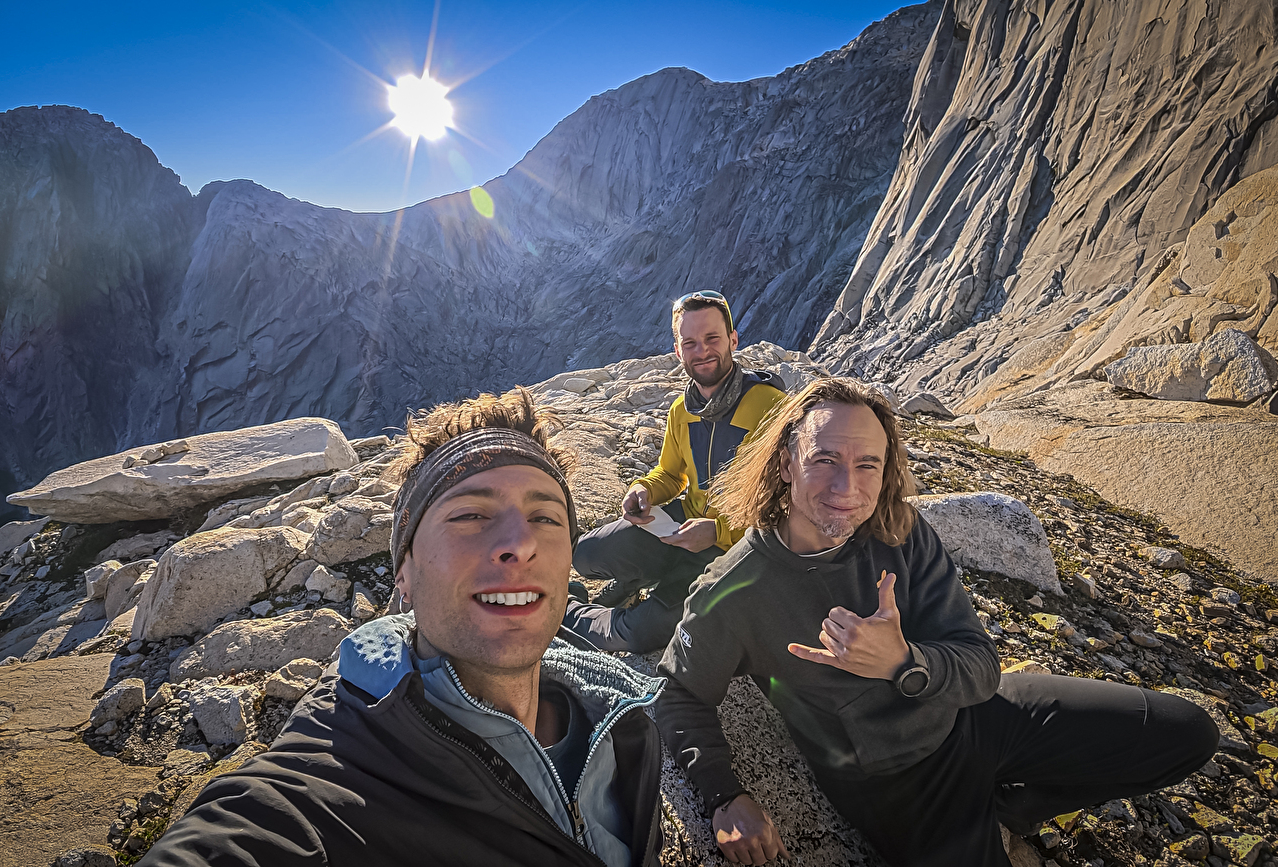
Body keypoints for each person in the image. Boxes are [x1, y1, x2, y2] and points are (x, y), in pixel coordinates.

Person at [654, 377, 1220, 867]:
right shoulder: (733, 588)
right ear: (786, 463)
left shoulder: (899, 530)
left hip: (977, 718)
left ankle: (1017, 805)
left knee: (1190, 734)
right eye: (824, 460)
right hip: (900, 788)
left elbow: (978, 664)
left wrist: (903, 663)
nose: (846, 488)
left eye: (866, 465)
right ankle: (991, 808)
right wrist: (723, 796)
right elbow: (679, 696)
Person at [143, 389, 666, 867]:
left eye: (546, 518)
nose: (520, 543)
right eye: (470, 515)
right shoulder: (338, 776)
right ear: (406, 576)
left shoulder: (619, 716)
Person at [564, 289, 785, 653]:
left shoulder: (771, 407)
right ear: (678, 350)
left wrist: (718, 532)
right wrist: (643, 491)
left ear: (732, 339)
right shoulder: (683, 410)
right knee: (585, 555)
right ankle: (641, 579)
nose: (702, 351)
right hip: (683, 529)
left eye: (712, 338)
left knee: (639, 632)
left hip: (739, 550)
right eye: (690, 342)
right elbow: (671, 475)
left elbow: (790, 505)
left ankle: (570, 614)